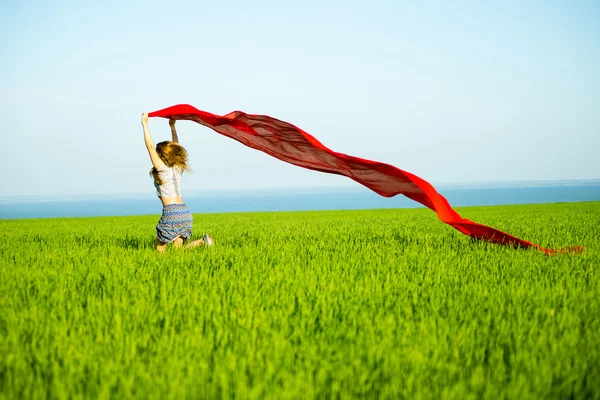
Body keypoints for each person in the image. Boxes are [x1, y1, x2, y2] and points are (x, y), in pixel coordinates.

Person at [141, 112, 213, 253]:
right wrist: (173, 127)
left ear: (161, 156)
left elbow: (149, 146)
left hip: (171, 212)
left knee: (160, 252)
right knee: (177, 253)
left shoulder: (161, 169)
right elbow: (176, 146)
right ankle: (202, 241)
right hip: (185, 212)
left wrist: (145, 124)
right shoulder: (177, 168)